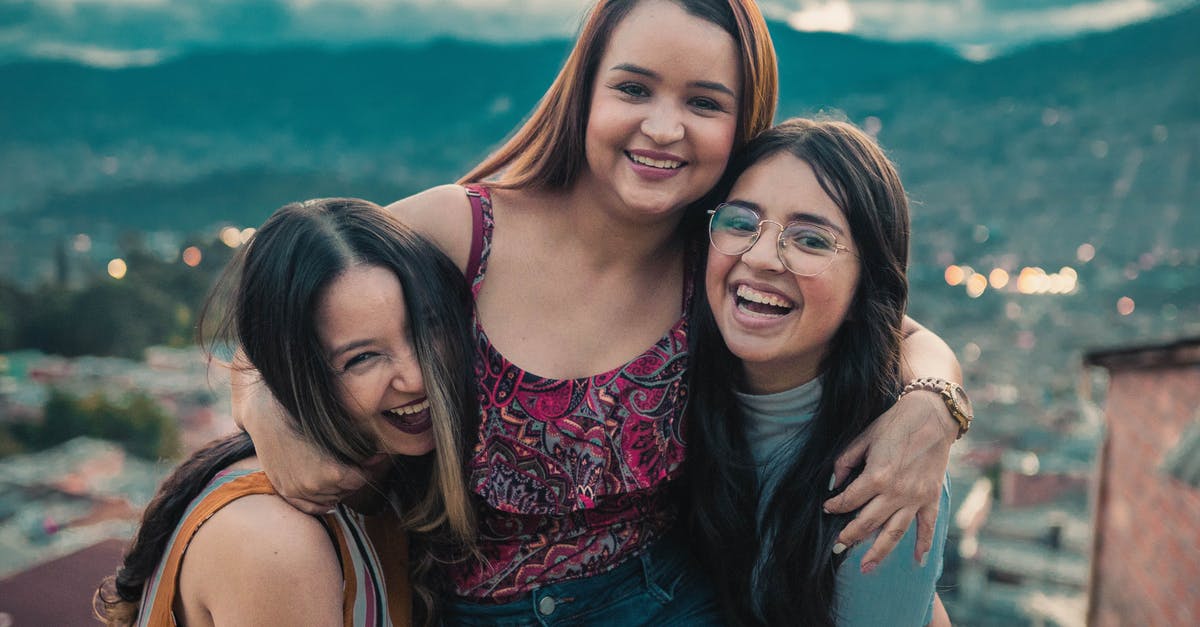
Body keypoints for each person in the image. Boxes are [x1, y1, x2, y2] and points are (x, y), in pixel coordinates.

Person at [240, 1, 965, 623]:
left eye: (704, 103)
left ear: (741, 127)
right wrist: (269, 410)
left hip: (668, 601)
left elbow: (887, 325)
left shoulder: (717, 260)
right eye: (634, 89)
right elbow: (278, 315)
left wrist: (933, 407)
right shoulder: (461, 233)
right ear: (584, 93)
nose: (663, 127)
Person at [95, 199, 479, 626]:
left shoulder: (384, 488)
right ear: (297, 376)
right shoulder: (279, 542)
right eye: (362, 358)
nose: (416, 377)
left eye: (427, 328)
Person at [689, 118, 958, 626]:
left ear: (866, 288)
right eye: (742, 223)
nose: (762, 256)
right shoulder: (662, 378)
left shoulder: (891, 469)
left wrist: (935, 401)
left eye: (810, 240)